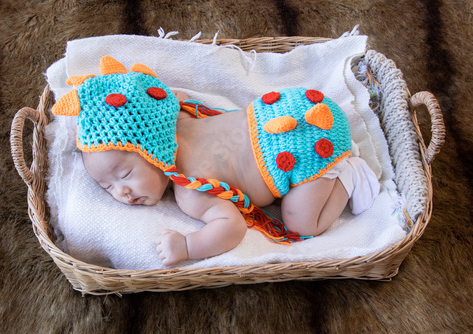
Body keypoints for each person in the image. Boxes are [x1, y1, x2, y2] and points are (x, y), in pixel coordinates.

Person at [53, 56, 380, 266]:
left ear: (150, 147)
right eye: (106, 186)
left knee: (301, 225)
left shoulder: (192, 189)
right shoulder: (181, 115)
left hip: (302, 153)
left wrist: (188, 246)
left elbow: (232, 227)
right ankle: (338, 153)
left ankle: (345, 174)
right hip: (288, 106)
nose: (120, 192)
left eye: (124, 174)